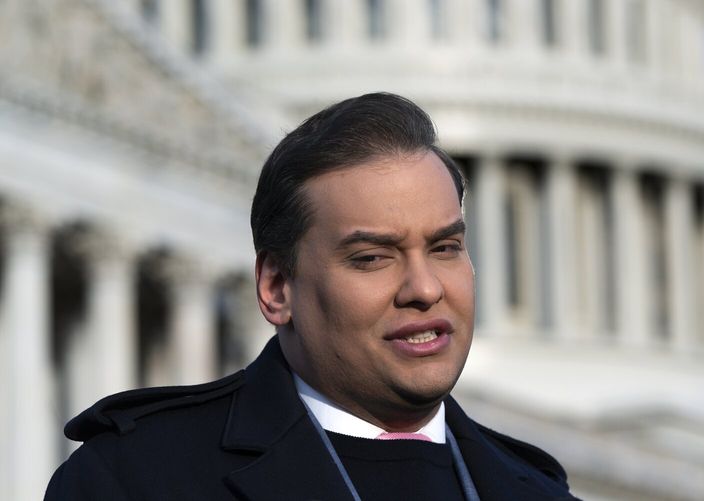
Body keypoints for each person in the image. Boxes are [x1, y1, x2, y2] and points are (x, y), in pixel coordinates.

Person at [45, 93, 579, 500]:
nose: (424, 288)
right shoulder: (134, 480)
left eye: (444, 247)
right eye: (372, 257)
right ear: (277, 289)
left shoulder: (537, 491)